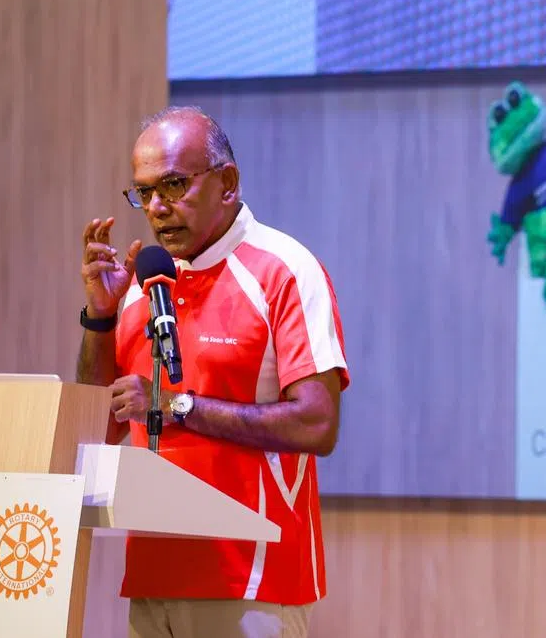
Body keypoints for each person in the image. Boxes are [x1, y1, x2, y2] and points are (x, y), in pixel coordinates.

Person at [75, 105, 349, 638]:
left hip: (253, 582)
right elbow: (97, 426)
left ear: (227, 183)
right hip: (153, 578)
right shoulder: (142, 284)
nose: (156, 208)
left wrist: (178, 407)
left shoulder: (283, 270)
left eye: (173, 185)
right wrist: (101, 319)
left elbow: (318, 424)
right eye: (144, 192)